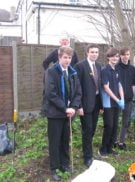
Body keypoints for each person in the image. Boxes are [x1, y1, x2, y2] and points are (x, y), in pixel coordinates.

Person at [43, 46, 82, 181]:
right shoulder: (51, 72)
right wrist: (64, 108)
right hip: (55, 113)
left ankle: (65, 165)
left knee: (65, 140)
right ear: (59, 58)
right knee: (55, 141)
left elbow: (78, 92)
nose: (67, 60)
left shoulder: (73, 72)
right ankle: (54, 168)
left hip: (69, 113)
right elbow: (50, 94)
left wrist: (74, 107)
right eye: (65, 57)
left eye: (69, 58)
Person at [74, 44, 103, 167]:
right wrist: (79, 106)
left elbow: (100, 87)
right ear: (87, 53)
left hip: (96, 102)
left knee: (93, 130)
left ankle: (89, 152)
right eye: (92, 52)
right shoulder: (80, 66)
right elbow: (77, 87)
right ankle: (87, 157)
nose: (94, 54)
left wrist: (101, 105)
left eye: (96, 52)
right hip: (85, 104)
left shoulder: (99, 66)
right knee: (87, 130)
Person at [99, 48, 125, 157]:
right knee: (109, 125)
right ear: (108, 57)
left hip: (116, 103)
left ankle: (110, 148)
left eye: (117, 56)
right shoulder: (105, 70)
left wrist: (122, 98)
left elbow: (119, 85)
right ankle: (103, 149)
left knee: (115, 126)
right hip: (108, 103)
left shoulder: (116, 70)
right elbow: (106, 87)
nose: (115, 58)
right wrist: (117, 99)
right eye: (113, 56)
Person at [115, 48, 135, 150]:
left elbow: (133, 83)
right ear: (120, 56)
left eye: (127, 54)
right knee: (115, 121)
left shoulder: (132, 68)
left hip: (128, 99)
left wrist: (131, 94)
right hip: (117, 99)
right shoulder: (116, 67)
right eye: (123, 55)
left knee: (125, 122)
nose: (125, 56)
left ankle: (121, 142)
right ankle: (114, 141)